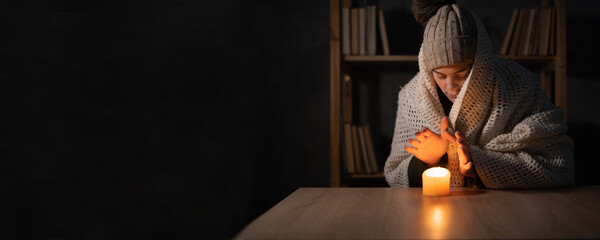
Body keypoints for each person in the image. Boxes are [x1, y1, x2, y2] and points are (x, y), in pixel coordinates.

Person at [384, 0, 574, 189]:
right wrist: (426, 161)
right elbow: (394, 175)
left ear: (480, 64)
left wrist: (479, 164)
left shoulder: (519, 85)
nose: (451, 86)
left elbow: (558, 165)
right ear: (427, 69)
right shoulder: (411, 97)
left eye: (462, 74)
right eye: (440, 75)